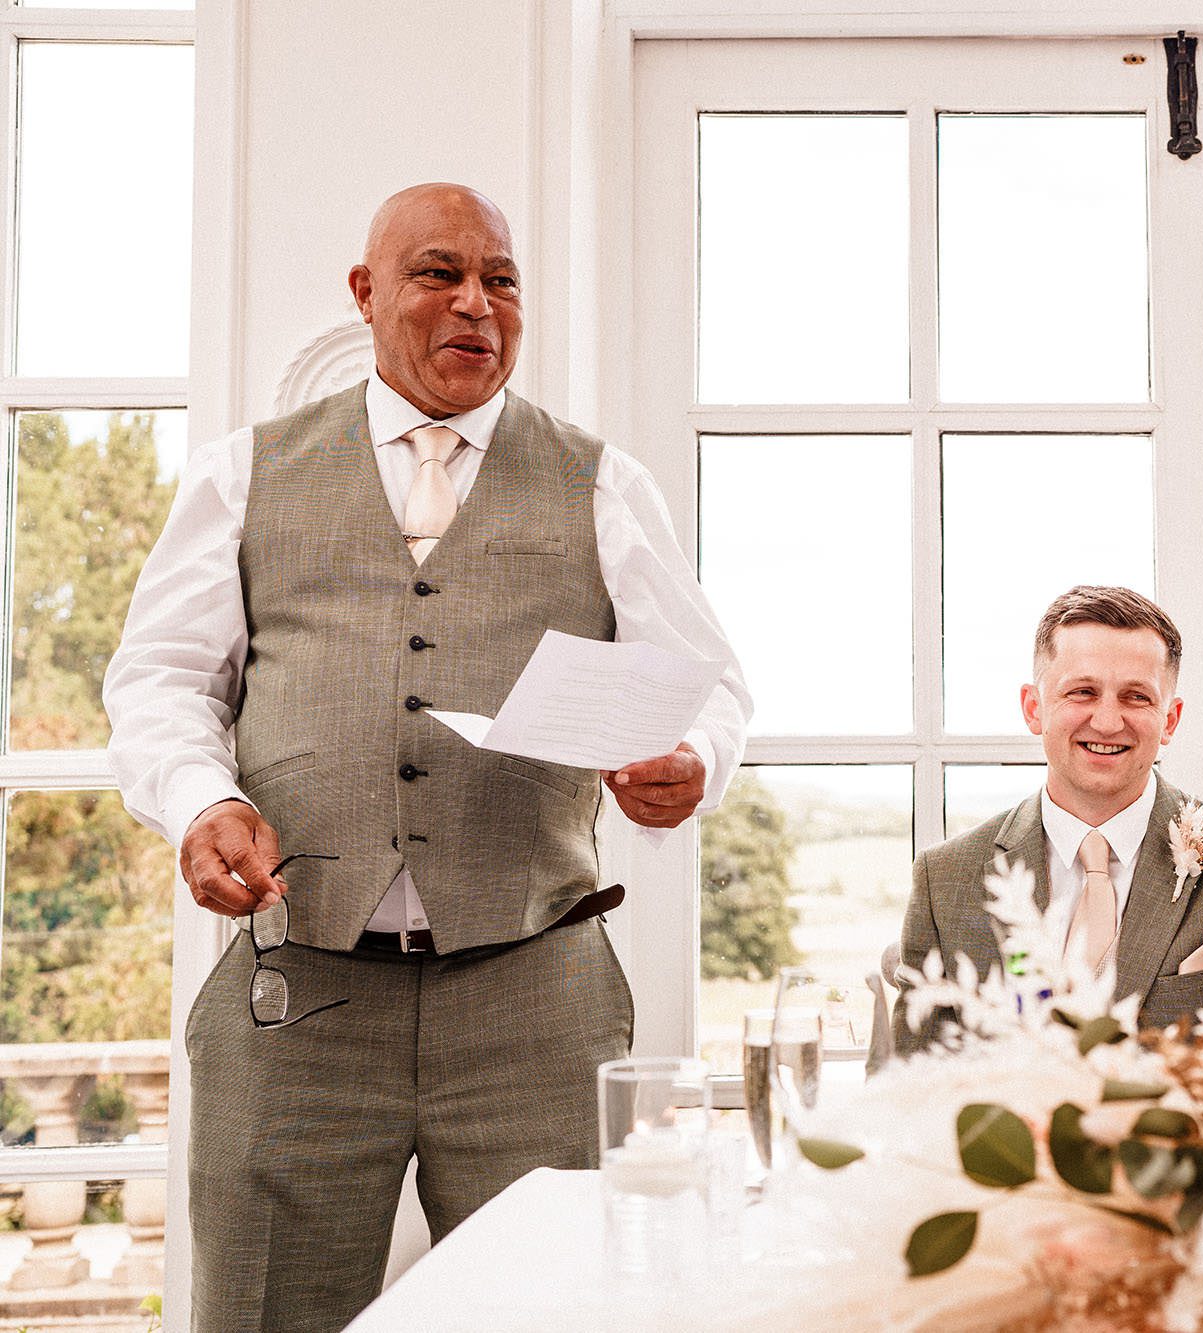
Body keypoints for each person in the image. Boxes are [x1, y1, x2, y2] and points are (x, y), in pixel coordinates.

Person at [103, 183, 750, 1332]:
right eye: (438, 273)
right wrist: (202, 802)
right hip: (295, 991)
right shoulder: (242, 474)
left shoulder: (604, 481)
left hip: (534, 995)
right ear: (366, 293)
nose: (476, 305)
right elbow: (160, 679)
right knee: (263, 1312)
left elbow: (707, 684)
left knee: (559, 1315)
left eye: (500, 281)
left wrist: (689, 757)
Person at [894, 586, 1203, 1052]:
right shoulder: (945, 879)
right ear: (1034, 708)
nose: (1108, 722)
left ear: (1170, 719)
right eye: (1082, 692)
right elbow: (903, 1087)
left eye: (1136, 697)